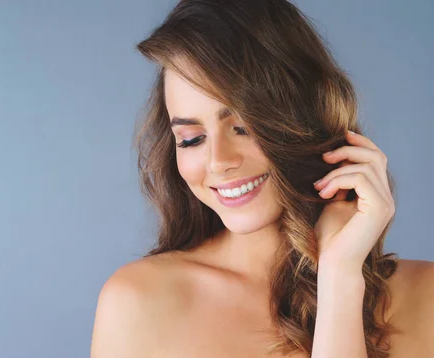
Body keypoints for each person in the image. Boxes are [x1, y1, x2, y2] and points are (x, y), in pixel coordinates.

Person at [90, 0, 434, 357]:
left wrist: (340, 279)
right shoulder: (138, 302)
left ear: (303, 118)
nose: (219, 162)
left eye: (242, 127)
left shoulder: (425, 296)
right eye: (192, 139)